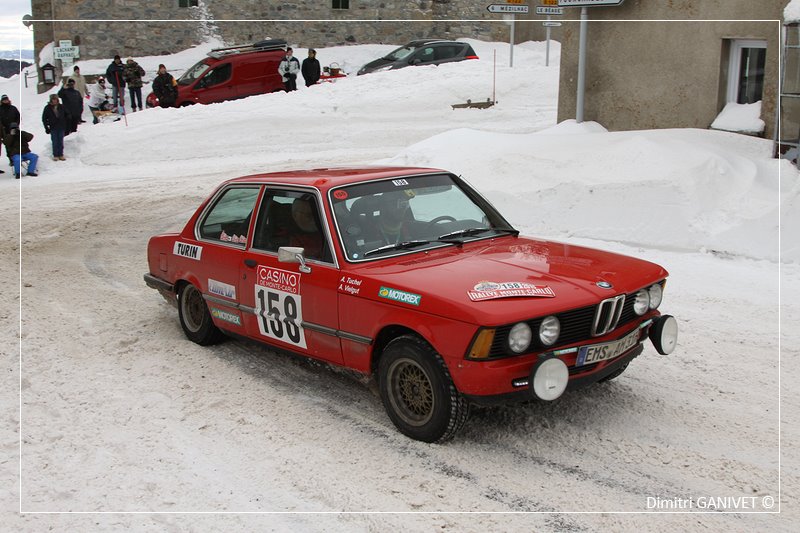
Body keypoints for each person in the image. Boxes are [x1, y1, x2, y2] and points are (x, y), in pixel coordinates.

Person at [289, 195, 324, 260]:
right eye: (308, 215)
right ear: (295, 215)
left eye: (315, 214)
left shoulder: (324, 229)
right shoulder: (290, 238)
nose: (313, 219)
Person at [42, 94, 70, 161]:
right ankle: (55, 155)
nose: (54, 101)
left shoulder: (61, 106)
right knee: (55, 141)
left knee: (60, 141)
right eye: (53, 99)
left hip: (61, 126)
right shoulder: (47, 107)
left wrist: (67, 119)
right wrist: (46, 127)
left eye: (55, 99)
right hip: (53, 127)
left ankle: (61, 154)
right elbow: (44, 118)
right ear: (51, 100)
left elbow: (67, 114)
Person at [0, 94, 20, 166]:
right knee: (8, 145)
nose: (5, 101)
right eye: (4, 100)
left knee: (16, 143)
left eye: (6, 99)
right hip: (4, 131)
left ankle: (17, 158)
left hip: (14, 129)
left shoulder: (13, 108)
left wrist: (16, 125)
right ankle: (11, 159)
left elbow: (18, 117)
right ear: (2, 101)